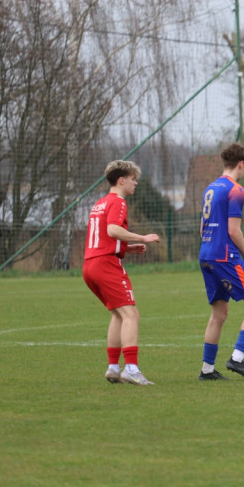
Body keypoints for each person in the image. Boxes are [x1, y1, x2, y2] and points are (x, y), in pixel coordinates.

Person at [82, 160, 161, 385]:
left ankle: (113, 367)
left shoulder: (100, 203)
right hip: (106, 265)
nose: (136, 183)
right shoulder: (118, 202)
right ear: (121, 180)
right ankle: (132, 369)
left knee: (118, 314)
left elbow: (104, 238)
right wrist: (143, 237)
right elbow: (113, 230)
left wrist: (128, 248)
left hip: (90, 265)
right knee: (131, 315)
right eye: (133, 179)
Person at [198, 143, 244, 381]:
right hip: (224, 255)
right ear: (241, 164)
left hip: (206, 254)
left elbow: (202, 228)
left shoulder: (211, 188)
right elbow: (234, 230)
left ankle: (207, 370)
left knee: (219, 313)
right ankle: (237, 358)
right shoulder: (235, 189)